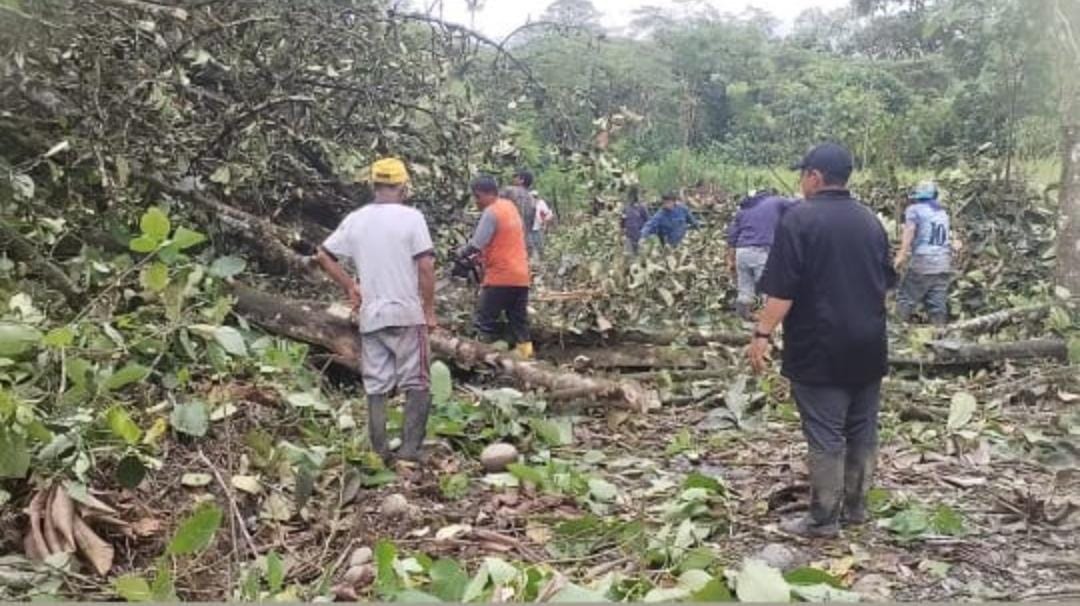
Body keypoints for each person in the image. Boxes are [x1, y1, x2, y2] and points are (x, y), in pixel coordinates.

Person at [748, 143, 896, 538]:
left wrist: (762, 334)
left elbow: (782, 290)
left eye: (803, 174)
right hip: (869, 344)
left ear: (815, 176)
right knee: (862, 429)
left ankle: (823, 518)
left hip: (820, 347)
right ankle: (856, 508)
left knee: (825, 434)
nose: (801, 181)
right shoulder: (870, 221)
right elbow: (884, 285)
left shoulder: (799, 219)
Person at [315, 157, 436, 466]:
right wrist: (429, 310)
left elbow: (323, 254)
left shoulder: (356, 219)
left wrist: (350, 286)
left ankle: (379, 451)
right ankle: (410, 450)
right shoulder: (412, 218)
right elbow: (425, 266)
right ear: (403, 187)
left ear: (374, 185)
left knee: (376, 384)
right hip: (407, 313)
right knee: (417, 382)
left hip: (372, 316)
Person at [458, 176, 534, 359]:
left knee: (484, 322)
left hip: (501, 277)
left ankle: (482, 361)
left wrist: (461, 253)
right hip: (521, 276)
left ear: (484, 194)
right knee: (519, 323)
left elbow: (476, 243)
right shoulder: (509, 207)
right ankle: (528, 359)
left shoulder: (491, 212)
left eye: (477, 197)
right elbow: (503, 240)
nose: (476, 202)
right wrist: (482, 257)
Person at [726, 188, 796, 321]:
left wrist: (730, 259)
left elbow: (732, 236)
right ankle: (768, 320)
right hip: (761, 250)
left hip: (742, 252)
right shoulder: (775, 201)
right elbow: (798, 205)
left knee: (745, 287)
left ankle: (743, 317)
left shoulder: (743, 210)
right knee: (769, 288)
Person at [894, 181, 952, 327]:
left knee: (906, 298)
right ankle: (940, 331)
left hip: (923, 261)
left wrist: (901, 255)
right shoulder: (942, 213)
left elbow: (909, 231)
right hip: (943, 263)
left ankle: (896, 329)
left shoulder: (914, 210)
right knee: (937, 303)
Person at [621, 186, 650, 256]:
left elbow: (648, 222)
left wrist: (645, 236)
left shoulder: (641, 208)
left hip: (640, 237)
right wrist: (622, 235)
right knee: (629, 257)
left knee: (640, 257)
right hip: (629, 238)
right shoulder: (626, 208)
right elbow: (622, 223)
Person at [529, 189, 553, 260]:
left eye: (535, 196)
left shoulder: (541, 203)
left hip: (538, 228)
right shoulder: (527, 204)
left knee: (540, 245)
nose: (534, 198)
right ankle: (535, 261)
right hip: (529, 229)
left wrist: (544, 223)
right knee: (531, 246)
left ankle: (542, 259)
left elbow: (548, 214)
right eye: (533, 196)